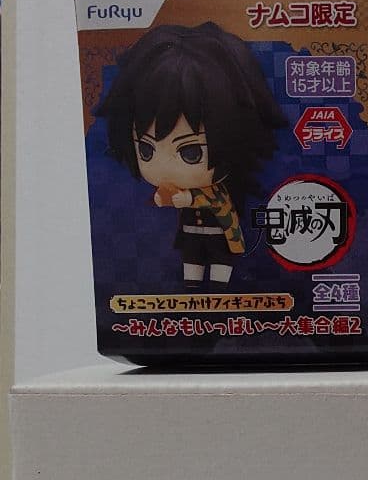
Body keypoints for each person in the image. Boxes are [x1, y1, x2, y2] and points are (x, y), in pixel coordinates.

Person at [96, 21, 286, 291]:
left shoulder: (218, 188)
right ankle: (193, 288)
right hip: (190, 236)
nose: (163, 167)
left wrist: (187, 199)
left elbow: (218, 201)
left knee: (220, 265)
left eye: (190, 152)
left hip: (221, 235)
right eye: (146, 149)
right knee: (192, 264)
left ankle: (218, 292)